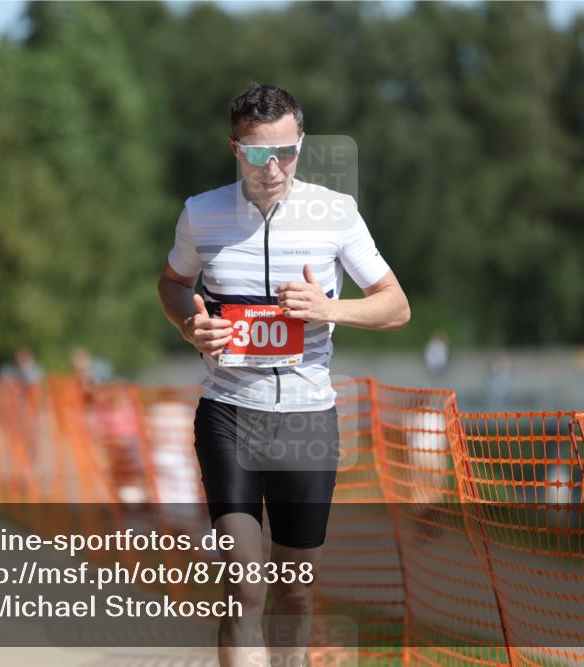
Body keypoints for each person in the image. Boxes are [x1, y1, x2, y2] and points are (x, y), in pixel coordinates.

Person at [157, 83, 410, 666]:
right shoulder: (202, 212)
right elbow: (173, 284)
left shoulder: (336, 213)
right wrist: (190, 327)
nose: (272, 168)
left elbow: (396, 306)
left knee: (295, 592)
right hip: (229, 414)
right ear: (233, 149)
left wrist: (329, 309)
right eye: (255, 154)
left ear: (301, 144)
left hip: (306, 422)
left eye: (286, 152)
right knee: (244, 586)